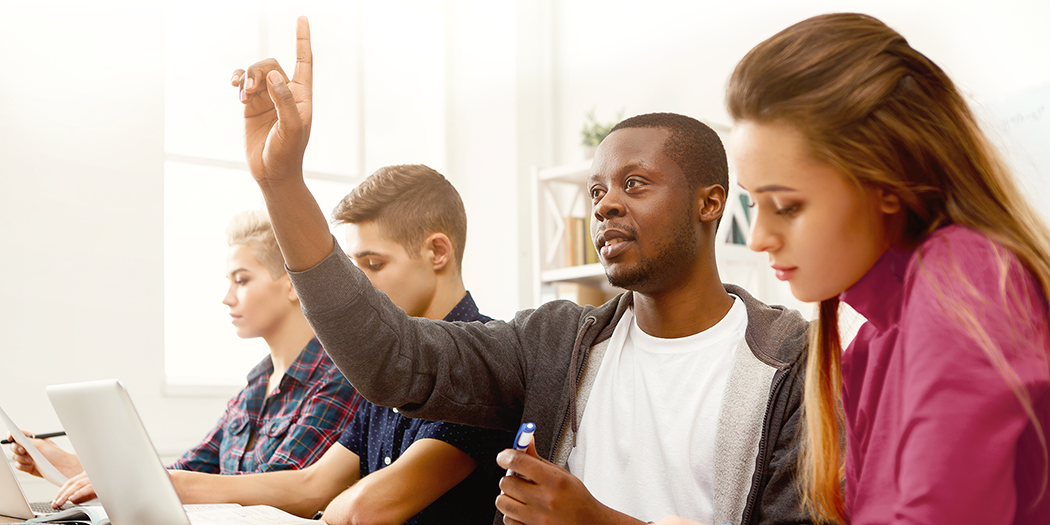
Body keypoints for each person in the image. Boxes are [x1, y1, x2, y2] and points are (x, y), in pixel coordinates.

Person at [229, 17, 813, 525]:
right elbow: (391, 360)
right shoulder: (554, 342)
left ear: (710, 204)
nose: (605, 205)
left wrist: (596, 521)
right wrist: (281, 183)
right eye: (597, 190)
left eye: (634, 184)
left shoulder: (793, 360)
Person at [39, 166, 514, 525]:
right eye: (354, 267)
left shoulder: (480, 364)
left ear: (437, 252)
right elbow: (314, 486)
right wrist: (171, 482)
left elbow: (371, 505)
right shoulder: (385, 369)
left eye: (372, 263)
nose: (359, 287)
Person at [726, 12, 1050, 525]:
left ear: (886, 183)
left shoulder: (963, 280)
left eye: (786, 205)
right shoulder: (869, 348)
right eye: (753, 206)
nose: (761, 237)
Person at [11, 209, 359, 483]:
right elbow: (183, 473)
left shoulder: (339, 377)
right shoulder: (252, 391)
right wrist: (67, 463)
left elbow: (283, 489)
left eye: (242, 280)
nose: (226, 298)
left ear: (293, 285)